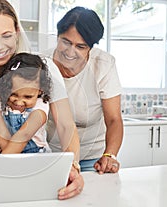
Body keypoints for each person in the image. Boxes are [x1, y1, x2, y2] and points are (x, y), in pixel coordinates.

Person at [0, 0, 83, 199]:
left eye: (6, 36)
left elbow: (66, 125)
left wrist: (73, 167)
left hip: (34, 165)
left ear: (17, 31)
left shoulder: (43, 68)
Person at [45, 6, 123, 173]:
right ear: (57, 36)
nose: (70, 52)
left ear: (90, 47)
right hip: (51, 154)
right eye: (65, 42)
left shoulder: (103, 65)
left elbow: (114, 120)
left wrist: (110, 155)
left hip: (92, 157)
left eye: (80, 46)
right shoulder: (43, 64)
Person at [0, 52, 52, 154]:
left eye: (28, 97)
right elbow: (3, 136)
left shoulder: (41, 104)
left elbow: (24, 135)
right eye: (13, 94)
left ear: (40, 90)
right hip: (7, 152)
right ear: (5, 85)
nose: (19, 102)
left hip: (38, 157)